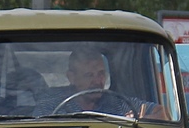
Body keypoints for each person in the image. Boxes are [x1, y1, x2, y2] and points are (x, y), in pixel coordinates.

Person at [33, 48, 163, 118]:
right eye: (89, 75)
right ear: (71, 77)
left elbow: (163, 113)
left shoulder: (117, 103)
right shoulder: (50, 104)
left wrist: (141, 120)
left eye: (101, 74)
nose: (97, 81)